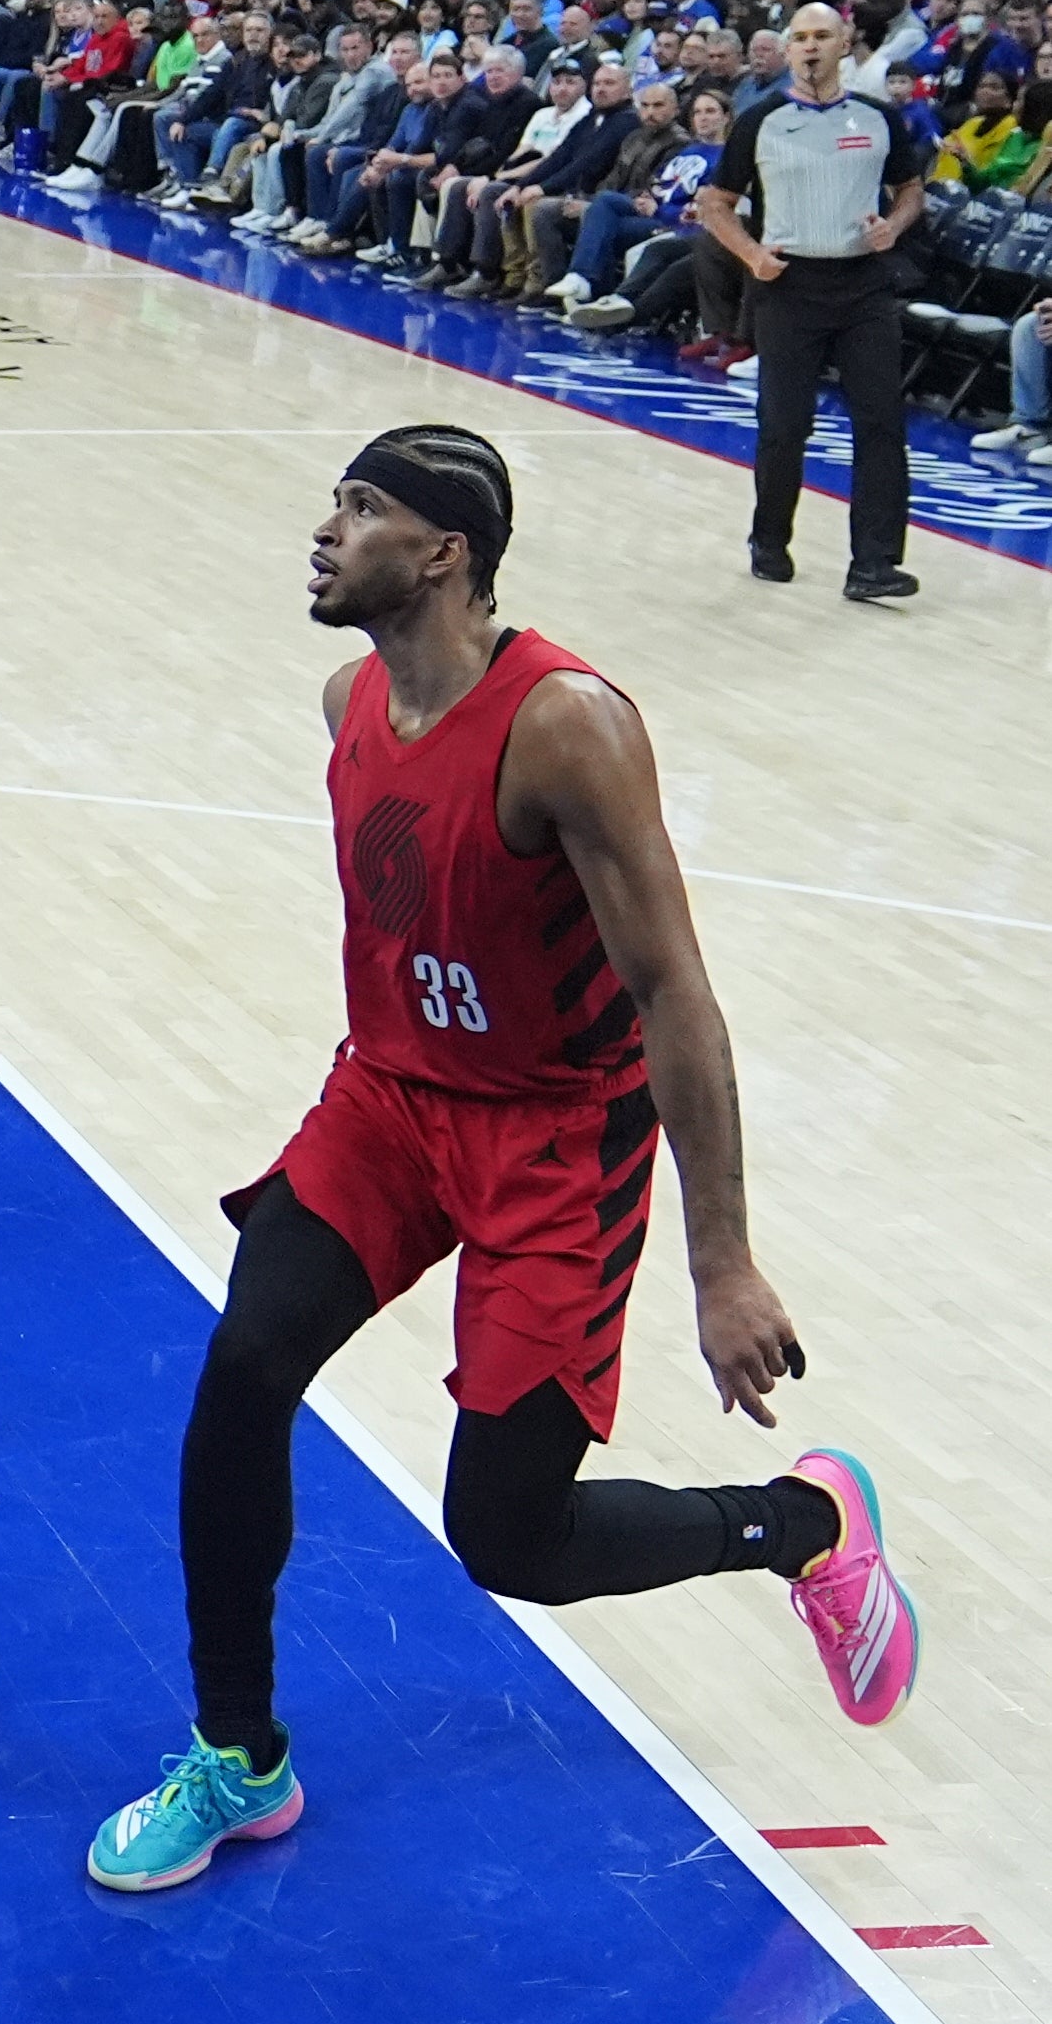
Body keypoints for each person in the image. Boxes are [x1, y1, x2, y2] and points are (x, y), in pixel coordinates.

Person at [86, 426, 916, 1896]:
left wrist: (720, 1259)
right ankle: (237, 1753)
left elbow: (672, 992)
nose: (324, 530)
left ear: (444, 551)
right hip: (390, 1103)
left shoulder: (565, 728)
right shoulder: (347, 700)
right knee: (245, 1365)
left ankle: (803, 1524)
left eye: (361, 508)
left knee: (508, 1538)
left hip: (554, 1136)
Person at [699, 2, 923, 600]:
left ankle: (874, 564)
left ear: (844, 43)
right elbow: (715, 203)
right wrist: (752, 256)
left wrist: (894, 226)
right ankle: (769, 539)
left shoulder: (879, 117)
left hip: (864, 285)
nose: (811, 46)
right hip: (789, 287)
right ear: (788, 49)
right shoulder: (760, 119)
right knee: (784, 423)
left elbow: (911, 188)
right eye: (801, 37)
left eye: (823, 35)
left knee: (881, 422)